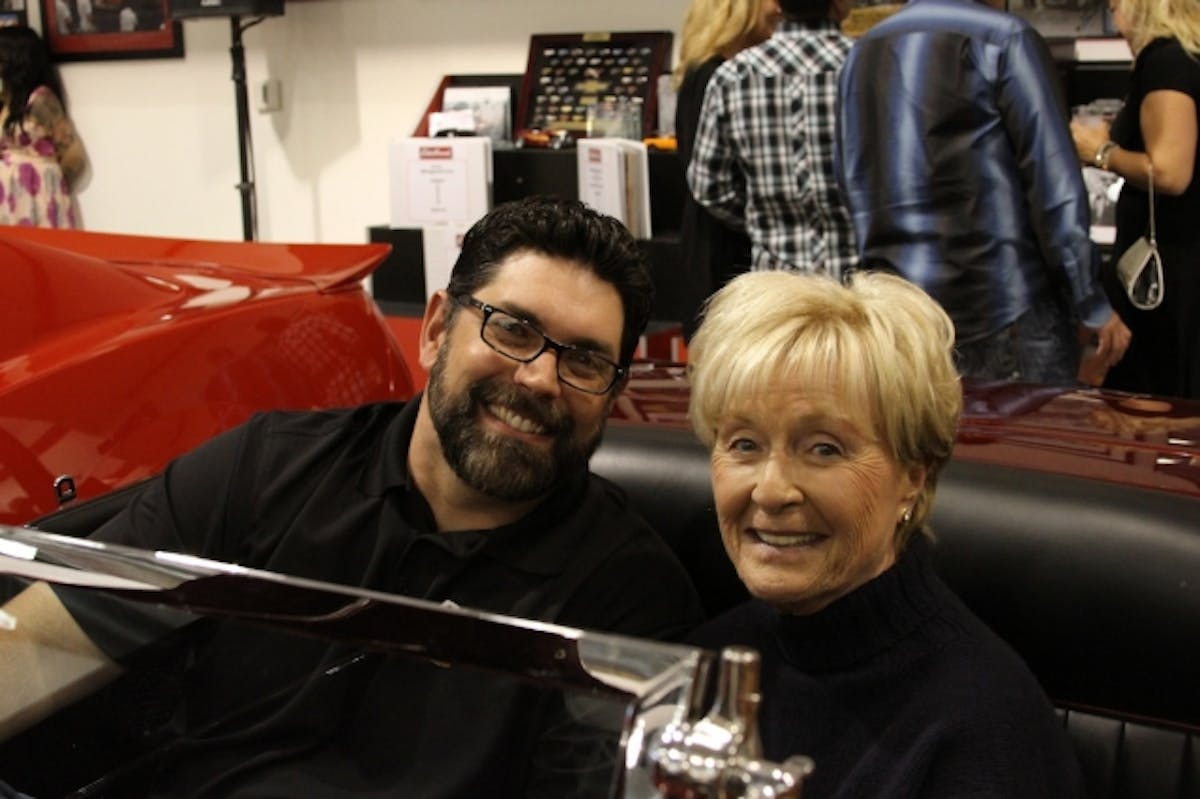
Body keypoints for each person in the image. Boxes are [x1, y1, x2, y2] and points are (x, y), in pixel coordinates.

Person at [0, 196, 705, 796]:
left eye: (584, 359)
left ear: (612, 393)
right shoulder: (268, 465)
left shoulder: (629, 601)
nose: (540, 379)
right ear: (434, 330)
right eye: (513, 329)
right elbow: (45, 640)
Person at [685, 269, 1085, 797]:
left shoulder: (986, 730)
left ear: (912, 477)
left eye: (824, 448)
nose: (771, 490)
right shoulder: (702, 666)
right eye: (743, 444)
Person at [836, 0, 1130, 386]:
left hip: (903, 314)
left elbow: (851, 178)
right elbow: (1054, 186)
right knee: (1028, 441)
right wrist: (1089, 300)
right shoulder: (1004, 39)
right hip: (1005, 306)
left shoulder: (862, 51)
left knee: (924, 442)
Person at [1070, 0, 1200, 399]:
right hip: (1180, 267)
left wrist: (1099, 150)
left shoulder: (1166, 61)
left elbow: (1170, 172)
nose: (1112, 12)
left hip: (1170, 276)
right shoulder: (1187, 57)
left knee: (1160, 408)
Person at [687, 0, 858, 278]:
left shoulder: (733, 75)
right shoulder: (868, 65)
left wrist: (763, 218)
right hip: (857, 279)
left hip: (774, 283)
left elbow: (709, 186)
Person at [673, 0, 779, 339]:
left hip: (708, 246)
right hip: (724, 254)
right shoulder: (719, 77)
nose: (778, 8)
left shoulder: (701, 72)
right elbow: (713, 180)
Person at [0, 25, 87, 228]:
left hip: (36, 199)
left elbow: (74, 157)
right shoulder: (5, 101)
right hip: (7, 201)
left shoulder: (41, 100)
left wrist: (46, 183)